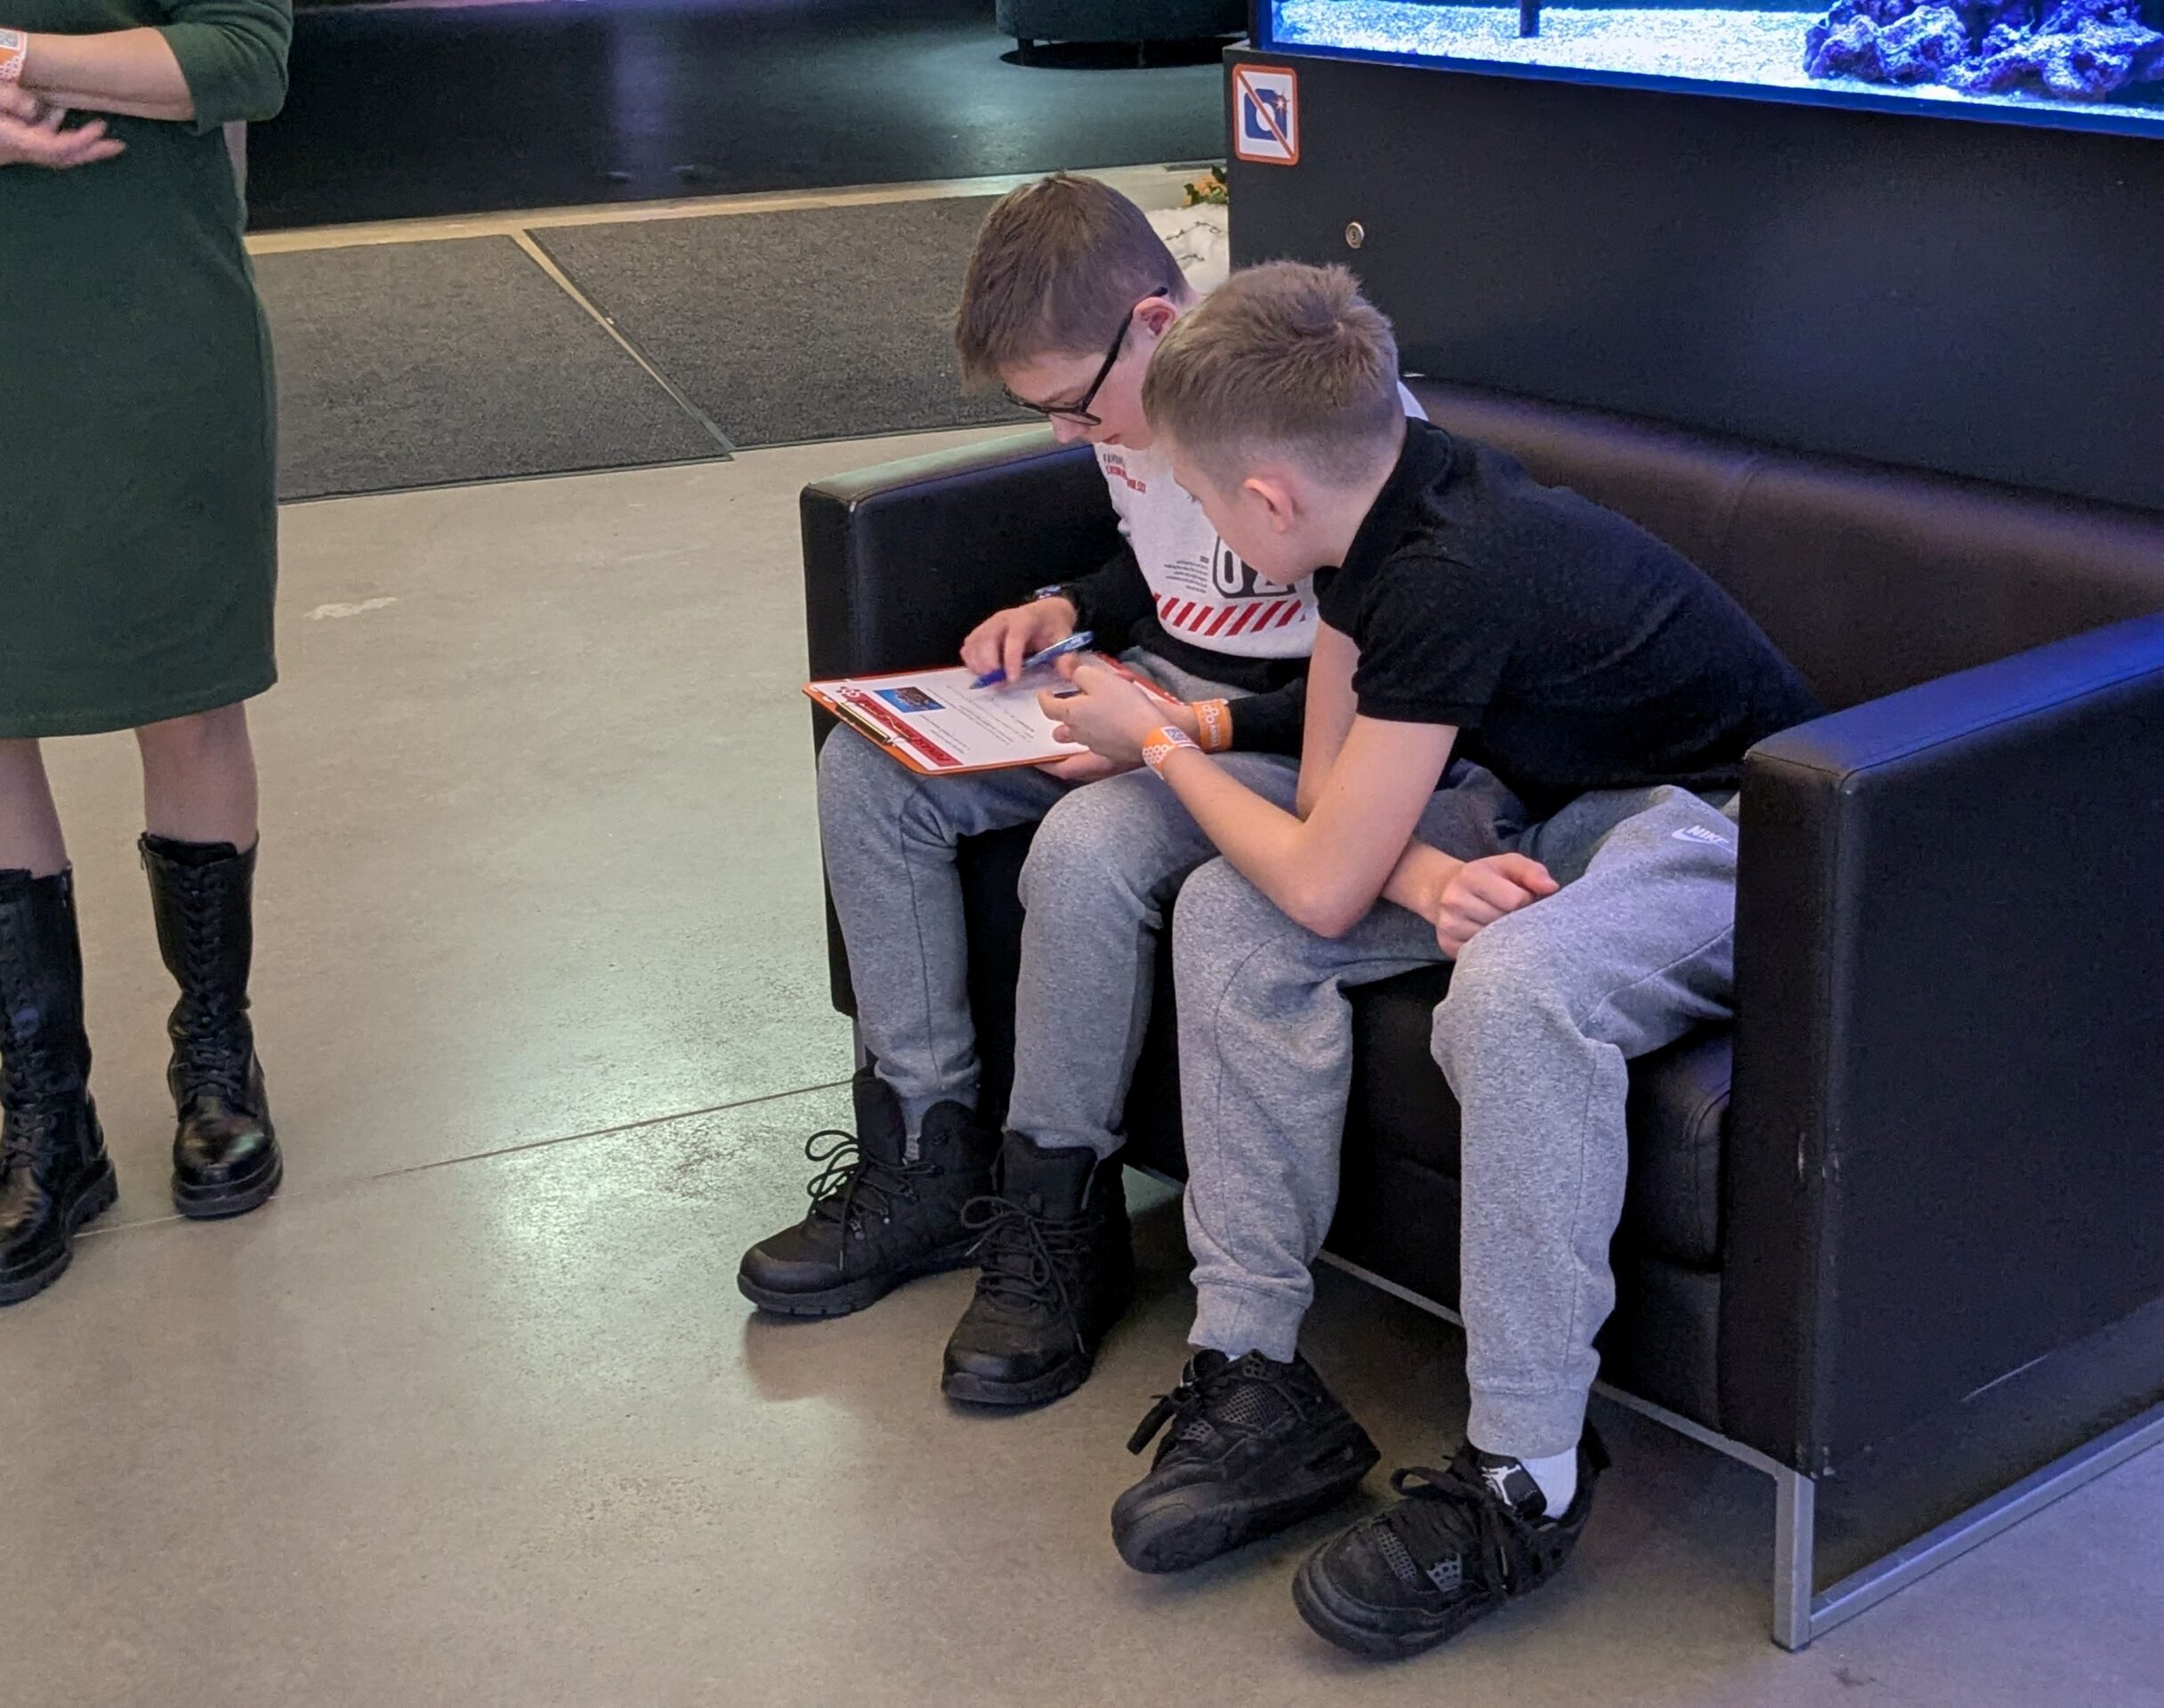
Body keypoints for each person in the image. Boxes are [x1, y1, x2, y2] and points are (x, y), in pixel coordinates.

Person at [1043, 262, 1821, 1656]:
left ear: (1266, 500)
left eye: (1204, 501)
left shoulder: (1454, 569)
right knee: (1233, 915)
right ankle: (1254, 1374)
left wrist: (1155, 741)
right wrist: (1426, 876)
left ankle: (1529, 1471)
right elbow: (1327, 810)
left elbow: (1322, 869)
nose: (1205, 525)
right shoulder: (1380, 510)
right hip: (1557, 817)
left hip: (1726, 832)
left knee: (1514, 994)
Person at [735, 174, 1428, 1409]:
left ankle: (1061, 1214)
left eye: (1071, 404)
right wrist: (1067, 608)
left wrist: (1167, 733)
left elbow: (1372, 678)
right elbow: (1167, 569)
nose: (1066, 435)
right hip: (1155, 689)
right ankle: (925, 1155)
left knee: (1089, 845)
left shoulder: (1295, 412)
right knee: (870, 770)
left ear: (1157, 323)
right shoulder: (1127, 407)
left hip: (1286, 735)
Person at [0, 0, 294, 1304]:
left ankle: (215, 1063)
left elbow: (245, 57)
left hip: (145, 304)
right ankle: (46, 1122)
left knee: (186, 691)